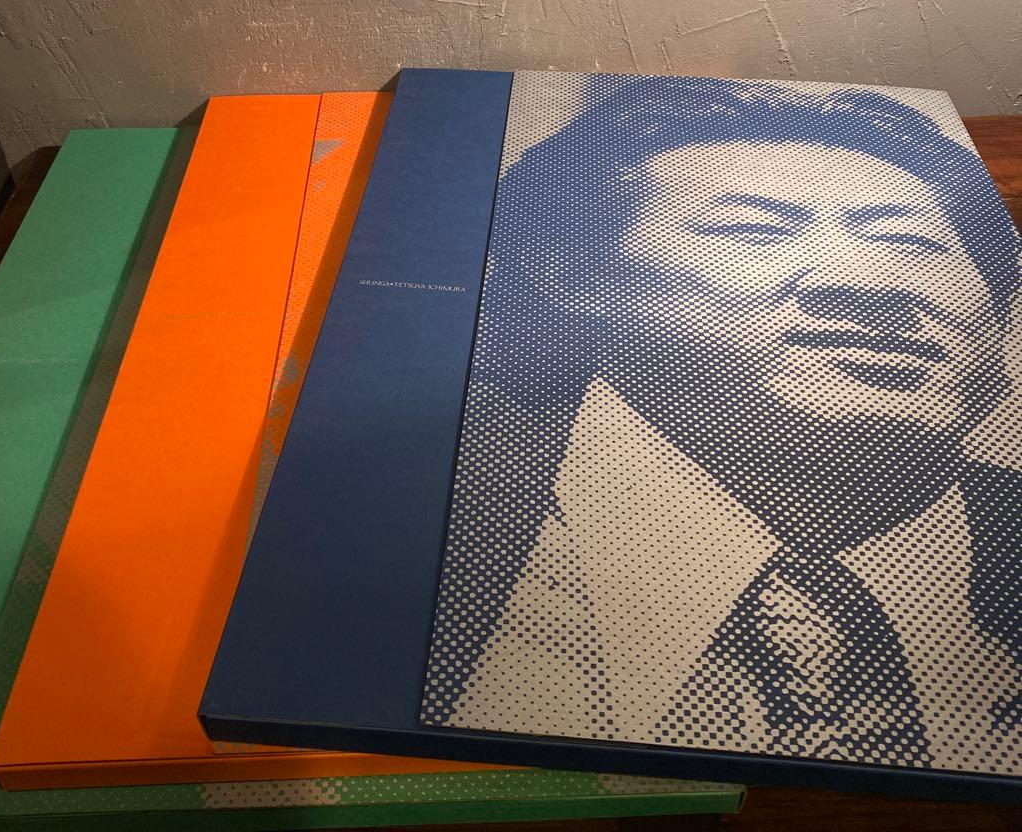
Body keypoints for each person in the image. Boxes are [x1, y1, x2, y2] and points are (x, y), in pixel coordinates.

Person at [421, 76, 1021, 773]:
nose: (863, 282)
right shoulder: (441, 514)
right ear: (573, 281)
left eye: (909, 241)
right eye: (752, 230)